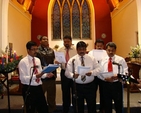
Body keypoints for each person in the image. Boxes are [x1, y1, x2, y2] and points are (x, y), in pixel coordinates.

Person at [65, 41, 101, 113]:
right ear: (77, 50)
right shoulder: (72, 60)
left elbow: (99, 69)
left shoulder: (92, 58)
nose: (82, 51)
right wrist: (73, 75)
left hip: (90, 86)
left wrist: (92, 72)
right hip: (77, 87)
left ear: (85, 49)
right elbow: (67, 73)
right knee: (78, 106)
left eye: (83, 49)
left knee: (91, 105)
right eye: (80, 49)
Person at [18, 41, 54, 113]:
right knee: (31, 109)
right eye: (33, 49)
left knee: (43, 109)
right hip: (29, 88)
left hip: (38, 87)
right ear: (28, 50)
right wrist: (35, 76)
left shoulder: (37, 60)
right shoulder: (23, 62)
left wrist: (46, 75)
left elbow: (40, 73)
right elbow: (22, 78)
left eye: (36, 49)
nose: (35, 51)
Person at [99, 42, 128, 113]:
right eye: (109, 50)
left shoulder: (120, 60)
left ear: (115, 50)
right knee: (107, 104)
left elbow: (125, 71)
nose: (111, 52)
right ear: (106, 50)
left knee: (118, 104)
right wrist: (104, 78)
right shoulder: (102, 60)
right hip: (106, 84)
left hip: (116, 84)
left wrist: (118, 76)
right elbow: (98, 72)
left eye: (112, 50)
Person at [55, 35, 77, 113]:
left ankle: (75, 109)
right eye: (65, 41)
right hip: (64, 72)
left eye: (68, 41)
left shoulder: (75, 50)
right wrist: (57, 62)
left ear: (71, 41)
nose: (66, 43)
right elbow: (57, 62)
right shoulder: (60, 50)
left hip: (73, 72)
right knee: (65, 92)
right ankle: (66, 109)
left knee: (75, 92)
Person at [36, 35, 57, 113]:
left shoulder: (51, 50)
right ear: (40, 41)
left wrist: (55, 66)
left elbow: (53, 61)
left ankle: (52, 109)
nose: (46, 40)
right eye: (44, 39)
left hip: (51, 76)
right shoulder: (37, 51)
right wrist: (44, 69)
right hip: (42, 76)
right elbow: (36, 63)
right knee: (40, 96)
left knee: (51, 96)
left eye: (47, 39)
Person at [88, 39, 107, 113]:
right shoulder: (91, 53)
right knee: (92, 93)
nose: (99, 47)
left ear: (103, 46)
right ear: (95, 45)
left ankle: (102, 109)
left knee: (103, 93)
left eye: (101, 46)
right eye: (98, 45)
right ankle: (93, 109)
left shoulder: (105, 52)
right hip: (94, 75)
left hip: (103, 75)